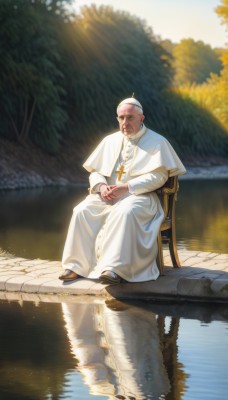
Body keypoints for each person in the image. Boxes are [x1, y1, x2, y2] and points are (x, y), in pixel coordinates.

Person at [59, 97, 186, 284]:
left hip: (141, 197)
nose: (125, 122)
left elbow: (159, 177)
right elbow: (95, 172)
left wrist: (126, 188)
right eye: (121, 118)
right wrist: (101, 187)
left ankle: (113, 269)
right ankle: (75, 266)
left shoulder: (158, 142)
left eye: (130, 118)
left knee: (125, 212)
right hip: (108, 196)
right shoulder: (109, 141)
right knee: (82, 210)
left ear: (141, 118)